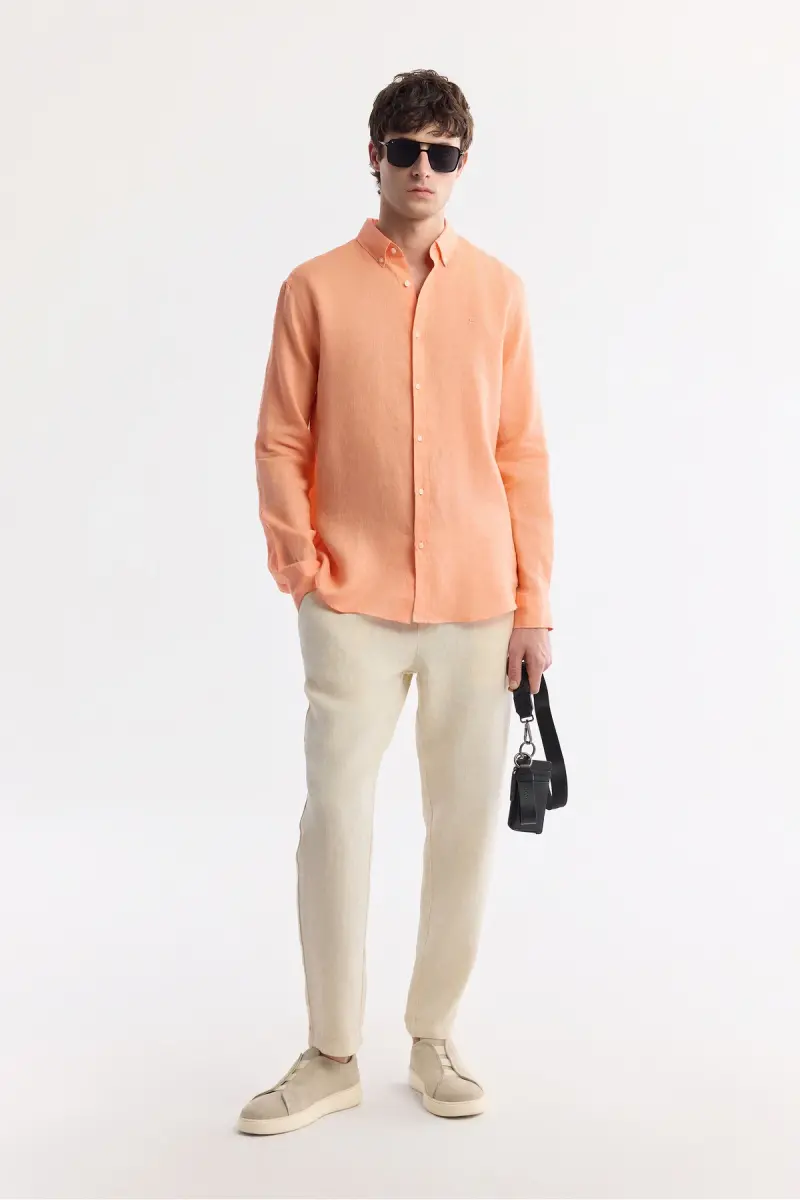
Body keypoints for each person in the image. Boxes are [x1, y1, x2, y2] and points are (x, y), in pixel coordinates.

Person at [237, 68, 555, 1136]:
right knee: (335, 817)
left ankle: (432, 1036)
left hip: (477, 606)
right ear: (373, 156)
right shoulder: (313, 288)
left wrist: (533, 605)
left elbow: (521, 453)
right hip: (351, 603)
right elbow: (281, 438)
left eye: (441, 153)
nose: (423, 169)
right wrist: (303, 571)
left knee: (462, 827)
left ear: (462, 165)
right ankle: (331, 1052)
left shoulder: (499, 293)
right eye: (405, 149)